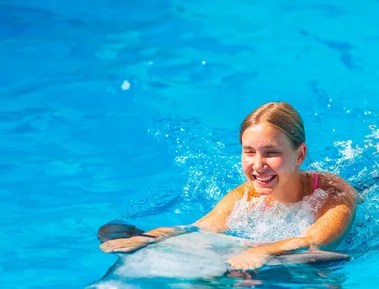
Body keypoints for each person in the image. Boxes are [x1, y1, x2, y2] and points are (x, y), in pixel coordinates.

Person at [100, 102, 363, 270]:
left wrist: (263, 251)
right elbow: (201, 226)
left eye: (270, 152)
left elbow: (313, 241)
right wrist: (150, 238)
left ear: (300, 155)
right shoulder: (246, 194)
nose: (258, 165)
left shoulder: (331, 196)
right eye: (249, 152)